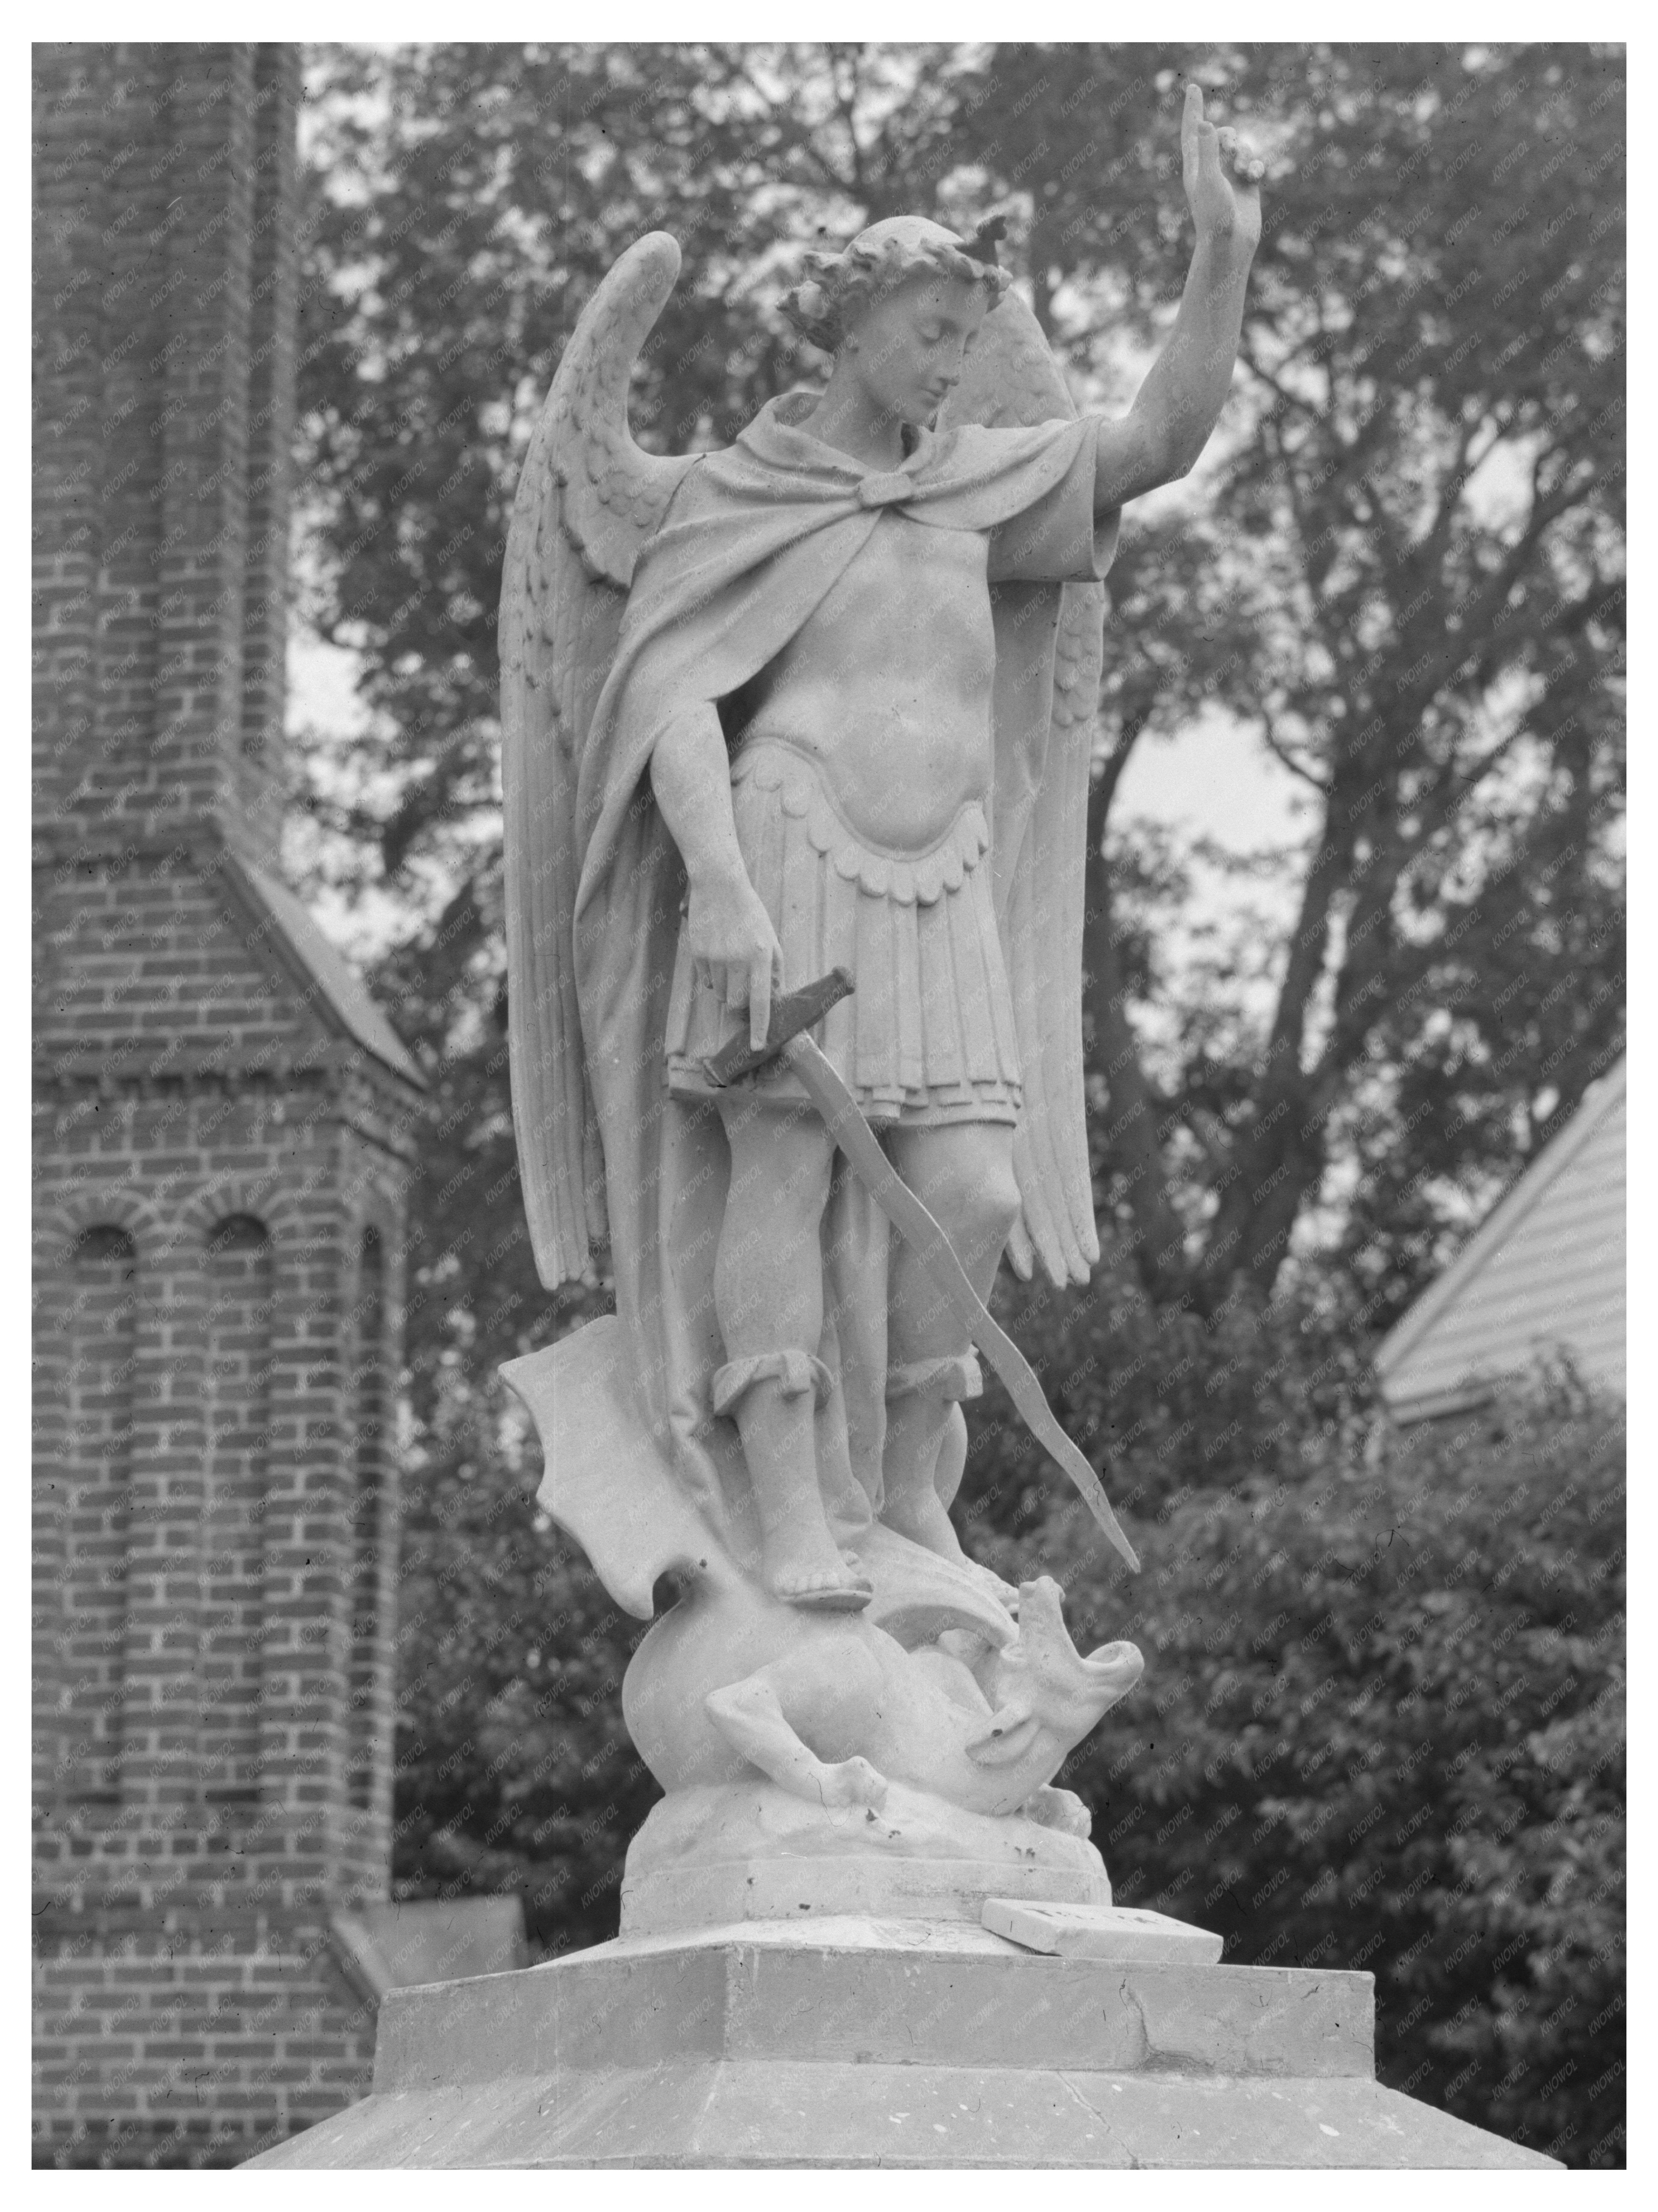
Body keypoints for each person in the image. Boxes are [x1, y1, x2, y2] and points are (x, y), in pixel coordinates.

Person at [632, 88, 1263, 1609]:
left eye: (960, 339)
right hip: (789, 851)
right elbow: (668, 695)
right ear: (851, 331)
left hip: (947, 877)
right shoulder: (744, 493)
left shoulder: (986, 481)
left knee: (973, 1184)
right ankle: (788, 1497)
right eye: (926, 331)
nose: (947, 360)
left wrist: (1223, 254)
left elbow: (1165, 437)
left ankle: (910, 1481)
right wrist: (716, 877)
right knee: (781, 1160)